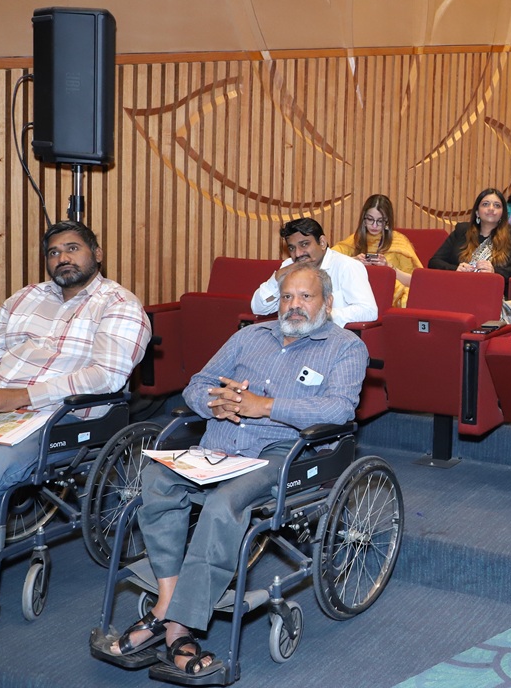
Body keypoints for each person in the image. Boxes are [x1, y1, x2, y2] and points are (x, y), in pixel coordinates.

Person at [91, 265, 366, 680]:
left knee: (224, 504)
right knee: (156, 479)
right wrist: (213, 403)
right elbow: (197, 383)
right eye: (287, 296)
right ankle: (167, 601)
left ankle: (178, 627)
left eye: (305, 297)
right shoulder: (249, 336)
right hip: (221, 443)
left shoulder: (345, 347)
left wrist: (264, 406)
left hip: (284, 450)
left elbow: (339, 409)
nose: (294, 305)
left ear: (326, 303)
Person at [0, 221, 151, 617]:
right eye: (53, 252)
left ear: (97, 254)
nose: (62, 258)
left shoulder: (120, 305)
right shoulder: (26, 297)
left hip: (61, 415)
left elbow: (106, 376)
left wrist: (20, 397)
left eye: (73, 248)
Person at [250, 218, 377, 324]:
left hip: (332, 338)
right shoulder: (289, 266)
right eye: (292, 248)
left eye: (304, 244)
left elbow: (368, 311)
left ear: (322, 243)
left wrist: (320, 315)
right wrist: (276, 279)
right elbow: (258, 309)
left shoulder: (346, 266)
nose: (298, 254)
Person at [332, 194, 423, 308]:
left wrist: (389, 268)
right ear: (363, 220)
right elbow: (329, 261)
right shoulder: (353, 241)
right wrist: (353, 261)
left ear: (387, 222)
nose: (374, 225)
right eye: (370, 219)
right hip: (358, 296)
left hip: (390, 297)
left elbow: (416, 282)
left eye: (380, 221)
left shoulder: (400, 243)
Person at [429, 188, 511, 281]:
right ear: (477, 212)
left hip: (494, 290)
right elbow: (434, 261)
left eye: (497, 205)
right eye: (485, 204)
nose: (491, 208)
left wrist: (495, 272)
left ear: (502, 213)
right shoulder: (462, 231)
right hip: (459, 286)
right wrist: (456, 269)